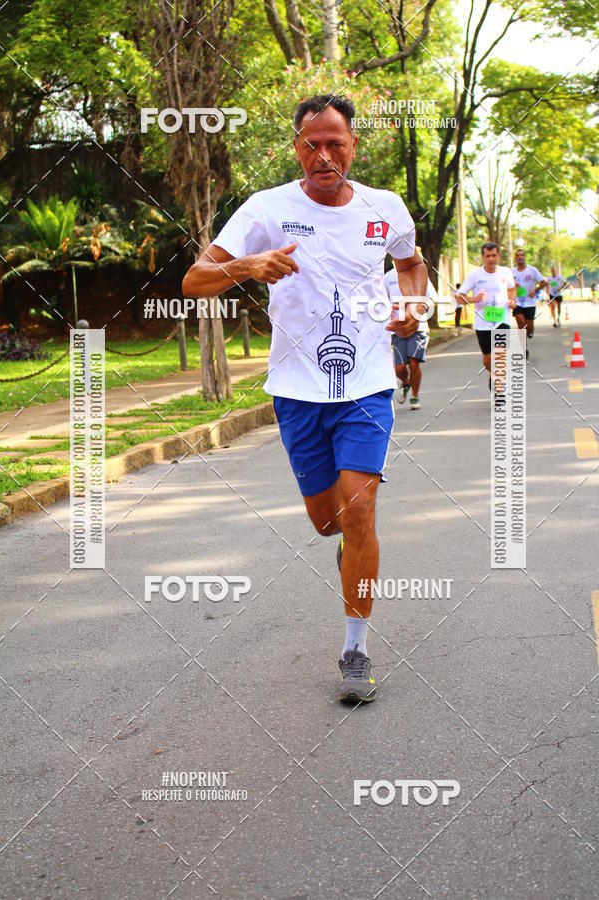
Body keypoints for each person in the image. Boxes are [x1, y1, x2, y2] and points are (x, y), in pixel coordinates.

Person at [182, 94, 427, 704]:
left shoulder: (385, 208)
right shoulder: (266, 209)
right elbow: (193, 280)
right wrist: (248, 264)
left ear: (352, 147)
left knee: (361, 510)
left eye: (334, 143)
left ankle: (356, 649)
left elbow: (413, 265)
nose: (323, 155)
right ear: (296, 149)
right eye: (311, 145)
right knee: (328, 522)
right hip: (296, 390)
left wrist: (414, 308)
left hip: (366, 381)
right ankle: (347, 541)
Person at [456, 242, 516, 389]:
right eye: (488, 256)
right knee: (488, 359)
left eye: (494, 255)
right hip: (483, 322)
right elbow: (459, 297)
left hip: (503, 319)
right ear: (483, 257)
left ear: (499, 256)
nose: (491, 259)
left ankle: (499, 385)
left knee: (501, 355)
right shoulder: (475, 275)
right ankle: (492, 374)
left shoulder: (506, 272)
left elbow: (512, 288)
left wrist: (512, 300)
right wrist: (474, 299)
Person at [384, 267, 435, 410]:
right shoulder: (388, 277)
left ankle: (415, 396)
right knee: (399, 368)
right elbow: (381, 300)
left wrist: (420, 308)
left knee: (414, 363)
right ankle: (406, 382)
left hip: (419, 326)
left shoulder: (418, 273)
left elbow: (432, 299)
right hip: (398, 328)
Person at [511, 248, 546, 358]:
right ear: (515, 258)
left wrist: (535, 290)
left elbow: (543, 282)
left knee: (528, 326)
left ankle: (530, 331)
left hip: (530, 303)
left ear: (524, 257)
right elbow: (506, 286)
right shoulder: (512, 272)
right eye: (518, 255)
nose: (520, 257)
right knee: (521, 325)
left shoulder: (532, 270)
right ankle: (524, 349)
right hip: (517, 303)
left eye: (521, 255)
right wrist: (513, 287)